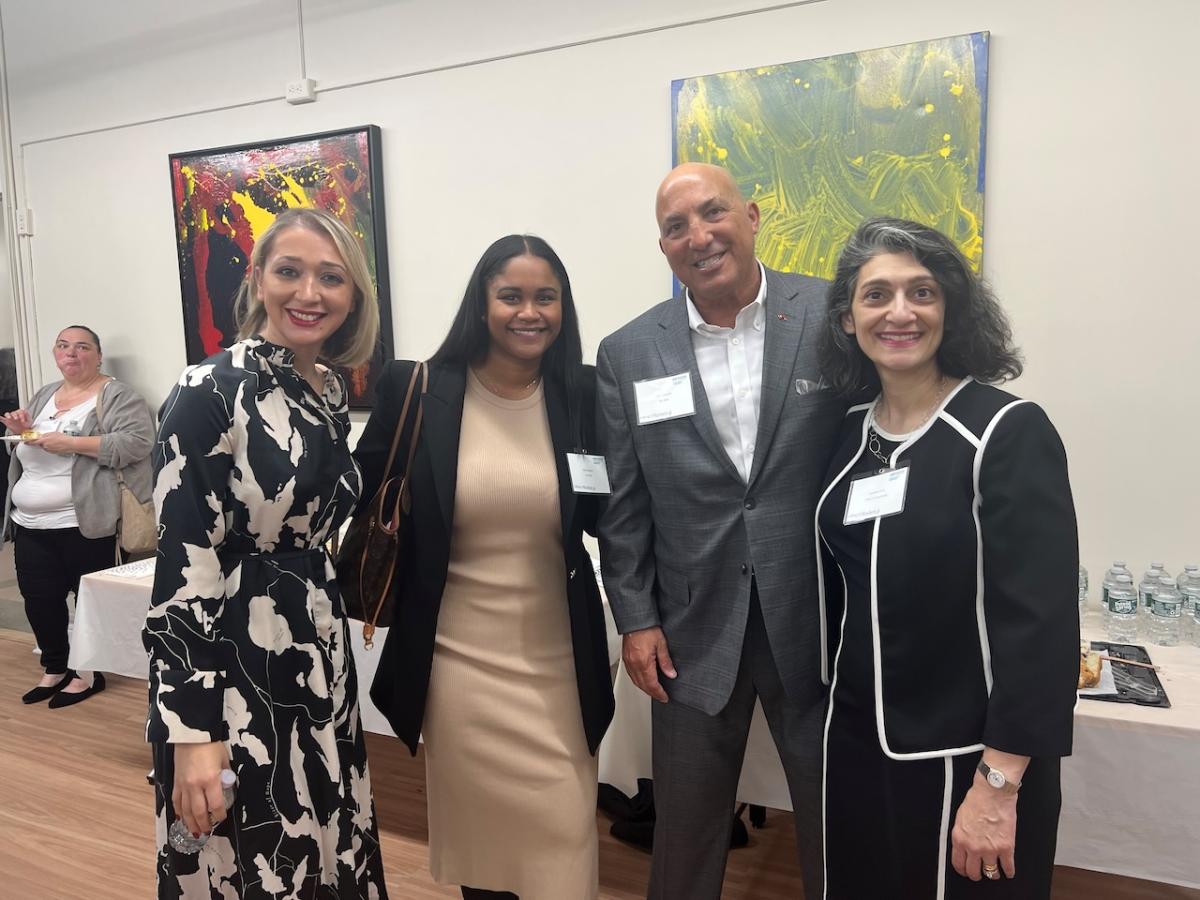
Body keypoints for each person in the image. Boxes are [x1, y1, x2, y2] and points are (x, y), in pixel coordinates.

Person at [595, 162, 843, 899]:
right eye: (677, 226)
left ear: (753, 215)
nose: (698, 236)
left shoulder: (832, 316)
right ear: (663, 246)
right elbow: (623, 506)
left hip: (816, 619)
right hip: (691, 627)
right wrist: (635, 618)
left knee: (836, 817)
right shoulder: (629, 352)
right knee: (686, 828)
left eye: (713, 213)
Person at [814, 217, 1079, 898]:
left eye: (921, 292)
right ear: (848, 317)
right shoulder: (847, 434)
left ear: (951, 307)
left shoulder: (1004, 431)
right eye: (877, 295)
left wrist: (998, 785)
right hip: (855, 752)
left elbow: (1041, 628)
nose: (898, 312)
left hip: (968, 763)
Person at [144, 208, 389, 898]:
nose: (309, 293)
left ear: (353, 296)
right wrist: (193, 731)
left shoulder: (329, 391)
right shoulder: (208, 391)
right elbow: (183, 566)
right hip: (235, 662)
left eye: (330, 278)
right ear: (257, 279)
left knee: (326, 844)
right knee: (252, 857)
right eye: (290, 271)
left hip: (317, 653)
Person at [363, 234, 614, 900]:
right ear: (482, 303)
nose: (529, 312)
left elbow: (615, 516)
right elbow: (349, 493)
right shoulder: (417, 389)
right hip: (458, 663)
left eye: (546, 297)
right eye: (511, 296)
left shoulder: (582, 394)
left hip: (559, 658)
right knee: (487, 853)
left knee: (564, 837)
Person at [2, 325, 153, 707]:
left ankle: (86, 675)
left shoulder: (116, 395)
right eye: (63, 346)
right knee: (39, 598)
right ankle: (54, 667)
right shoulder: (43, 395)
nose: (71, 353)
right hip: (31, 523)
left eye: (82, 347)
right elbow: (29, 449)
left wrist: (70, 443)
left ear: (98, 356)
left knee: (87, 601)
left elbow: (136, 443)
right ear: (55, 354)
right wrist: (24, 431)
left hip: (86, 521)